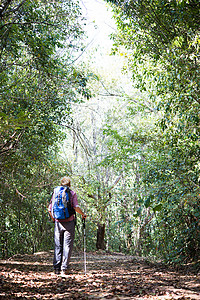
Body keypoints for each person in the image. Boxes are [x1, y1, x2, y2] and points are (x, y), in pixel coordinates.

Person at [48, 176, 86, 276]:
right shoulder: (72, 193)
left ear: (61, 183)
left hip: (58, 222)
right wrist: (83, 214)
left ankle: (56, 269)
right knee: (67, 246)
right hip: (69, 222)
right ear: (69, 184)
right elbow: (76, 207)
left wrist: (54, 219)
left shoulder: (55, 192)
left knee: (58, 245)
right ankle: (64, 269)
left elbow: (49, 209)